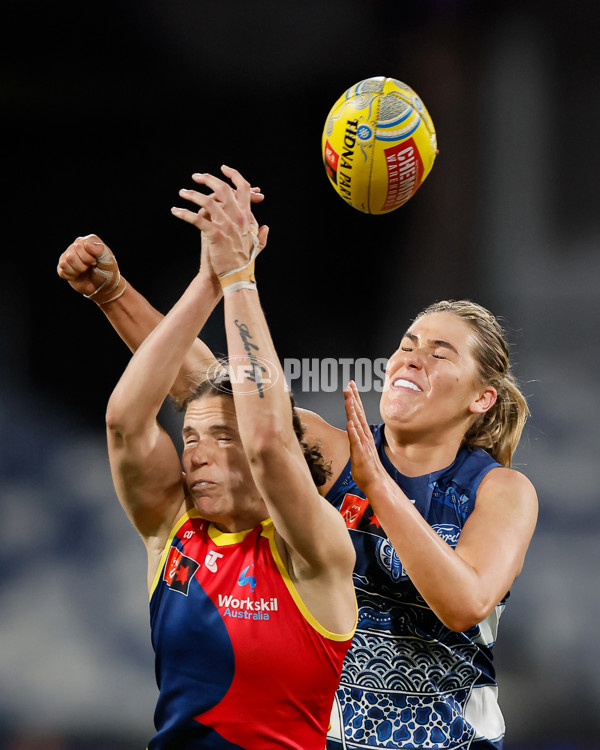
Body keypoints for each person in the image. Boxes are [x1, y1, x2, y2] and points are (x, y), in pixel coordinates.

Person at [57, 166, 538, 750]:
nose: (412, 360)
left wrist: (379, 486)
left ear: (481, 398)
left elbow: (463, 604)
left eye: (440, 355)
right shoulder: (328, 447)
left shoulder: (500, 490)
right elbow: (204, 383)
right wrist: (113, 294)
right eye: (407, 346)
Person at [94, 166, 357, 749]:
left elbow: (268, 440)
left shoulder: (312, 548)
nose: (197, 455)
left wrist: (241, 277)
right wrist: (209, 282)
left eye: (220, 438)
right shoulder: (174, 529)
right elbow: (124, 420)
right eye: (190, 438)